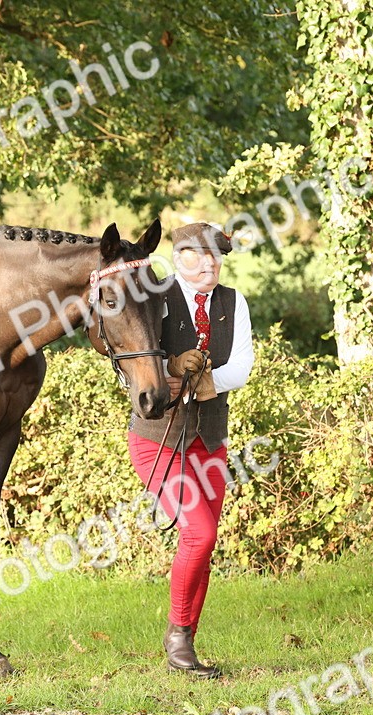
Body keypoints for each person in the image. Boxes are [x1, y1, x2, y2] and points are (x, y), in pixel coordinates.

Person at [127, 222, 253, 679]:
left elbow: (242, 366)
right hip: (157, 440)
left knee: (207, 541)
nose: (209, 264)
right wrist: (167, 367)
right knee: (198, 533)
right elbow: (132, 359)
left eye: (216, 257)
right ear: (178, 257)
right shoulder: (155, 297)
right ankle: (177, 637)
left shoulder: (232, 301)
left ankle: (187, 641)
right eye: (198, 256)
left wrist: (200, 379)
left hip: (210, 440)